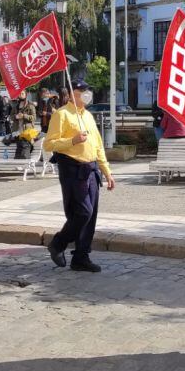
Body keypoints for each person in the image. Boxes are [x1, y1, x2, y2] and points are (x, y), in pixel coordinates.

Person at [44, 80, 116, 273]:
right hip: (72, 169)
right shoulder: (62, 114)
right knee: (83, 212)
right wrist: (72, 140)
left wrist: (107, 172)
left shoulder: (89, 116)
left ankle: (81, 257)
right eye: (81, 90)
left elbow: (98, 146)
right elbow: (49, 144)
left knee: (91, 215)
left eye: (87, 90)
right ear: (72, 94)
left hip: (91, 169)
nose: (86, 93)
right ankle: (58, 243)